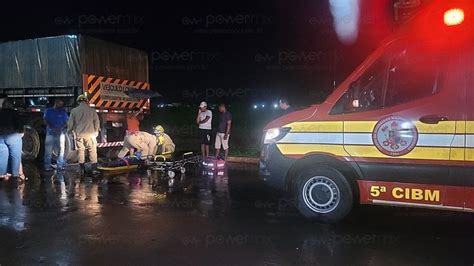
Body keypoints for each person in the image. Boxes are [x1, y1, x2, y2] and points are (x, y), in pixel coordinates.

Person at [67, 94, 100, 175]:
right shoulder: (92, 110)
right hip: (90, 134)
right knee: (92, 151)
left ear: (78, 101)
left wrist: (69, 131)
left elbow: (70, 123)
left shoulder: (74, 111)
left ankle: (81, 170)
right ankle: (94, 169)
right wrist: (96, 131)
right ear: (86, 101)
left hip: (79, 135)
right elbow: (97, 121)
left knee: (81, 151)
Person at [0, 98, 24, 181]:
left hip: (1, 137)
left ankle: (2, 175)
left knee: (2, 157)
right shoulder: (14, 113)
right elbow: (20, 126)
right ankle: (15, 175)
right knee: (15, 157)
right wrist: (21, 133)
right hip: (12, 136)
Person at [43, 99, 69, 171]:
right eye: (60, 104)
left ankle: (60, 166)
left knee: (61, 150)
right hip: (51, 133)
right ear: (56, 103)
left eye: (62, 104)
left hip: (60, 133)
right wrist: (52, 127)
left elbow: (66, 122)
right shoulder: (48, 111)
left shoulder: (63, 112)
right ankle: (47, 166)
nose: (61, 106)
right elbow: (45, 121)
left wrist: (62, 128)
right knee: (48, 151)